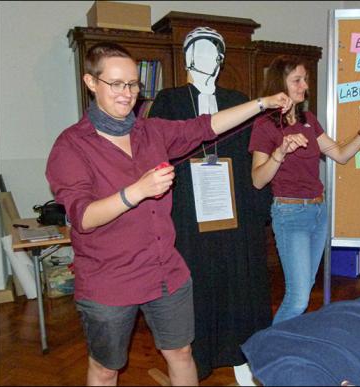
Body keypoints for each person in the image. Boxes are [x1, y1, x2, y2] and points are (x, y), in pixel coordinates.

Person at [45, 42, 291, 386]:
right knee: (105, 369)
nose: (127, 93)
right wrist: (138, 191)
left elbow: (207, 126)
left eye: (132, 84)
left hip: (165, 273)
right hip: (109, 280)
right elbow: (82, 217)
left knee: (181, 354)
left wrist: (262, 103)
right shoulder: (71, 146)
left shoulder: (151, 132)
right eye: (116, 84)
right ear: (91, 82)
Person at [148, 27, 272, 384]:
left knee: (239, 281)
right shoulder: (169, 102)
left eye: (213, 51)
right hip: (189, 214)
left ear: (220, 59)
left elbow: (253, 156)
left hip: (233, 212)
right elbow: (159, 154)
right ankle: (195, 360)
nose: (207, 57)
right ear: (187, 58)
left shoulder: (238, 100)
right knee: (195, 282)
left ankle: (241, 356)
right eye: (199, 50)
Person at [249, 55, 360, 324]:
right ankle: (269, 356)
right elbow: (258, 180)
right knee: (298, 298)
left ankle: (287, 350)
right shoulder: (264, 126)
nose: (304, 86)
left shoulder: (309, 119)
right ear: (279, 84)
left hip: (319, 212)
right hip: (290, 214)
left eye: (304, 79)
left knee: (304, 291)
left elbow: (341, 154)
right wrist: (280, 151)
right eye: (297, 80)